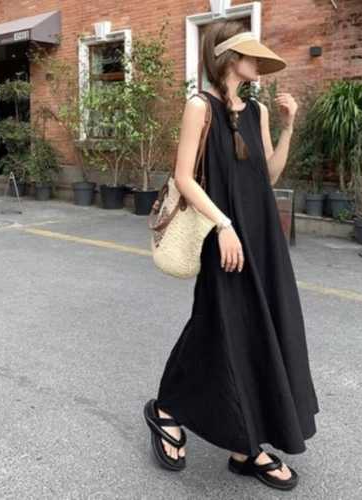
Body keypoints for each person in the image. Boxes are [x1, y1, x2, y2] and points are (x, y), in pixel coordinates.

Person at [144, 20, 319, 491]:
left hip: (261, 236)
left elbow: (269, 175)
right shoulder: (199, 106)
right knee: (221, 322)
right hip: (223, 233)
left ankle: (233, 440)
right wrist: (223, 226)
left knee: (251, 327)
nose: (258, 63)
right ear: (228, 57)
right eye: (250, 54)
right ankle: (194, 421)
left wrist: (288, 126)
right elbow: (184, 177)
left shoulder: (257, 110)